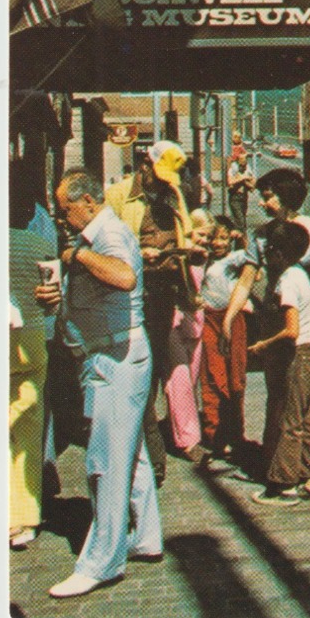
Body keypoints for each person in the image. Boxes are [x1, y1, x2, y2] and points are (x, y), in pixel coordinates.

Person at [37, 168, 162, 599]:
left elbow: (124, 276)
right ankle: (145, 536)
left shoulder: (106, 233)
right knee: (135, 454)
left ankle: (102, 562)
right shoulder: (97, 232)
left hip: (115, 359)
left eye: (65, 207)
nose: (59, 215)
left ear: (88, 201)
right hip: (113, 354)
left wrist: (79, 259)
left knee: (104, 462)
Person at [221, 168, 310, 500]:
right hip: (274, 325)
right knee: (281, 400)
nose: (262, 202)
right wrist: (230, 317)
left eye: (267, 196)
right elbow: (247, 279)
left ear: (286, 197)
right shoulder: (263, 235)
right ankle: (288, 467)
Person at [105, 141, 193, 486]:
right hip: (130, 295)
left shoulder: (173, 194)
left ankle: (145, 453)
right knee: (135, 375)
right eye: (157, 176)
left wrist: (187, 250)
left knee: (151, 375)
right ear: (144, 165)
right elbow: (105, 247)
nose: (161, 183)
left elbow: (185, 231)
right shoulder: (117, 196)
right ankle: (151, 458)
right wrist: (139, 255)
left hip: (164, 294)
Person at [249, 221, 310, 506]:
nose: (266, 254)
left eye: (269, 249)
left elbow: (291, 330)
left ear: (279, 253)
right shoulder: (300, 274)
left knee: (291, 421)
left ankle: (283, 485)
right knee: (305, 417)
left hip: (300, 353)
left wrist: (262, 345)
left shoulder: (286, 281)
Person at [9, 193, 50, 550]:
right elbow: (52, 299)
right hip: (33, 337)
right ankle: (25, 519)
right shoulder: (40, 244)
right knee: (28, 429)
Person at [199, 214, 250, 463]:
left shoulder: (234, 259)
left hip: (232, 319)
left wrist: (242, 240)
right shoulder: (202, 260)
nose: (217, 243)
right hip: (209, 320)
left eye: (222, 238)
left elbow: (252, 259)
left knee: (235, 376)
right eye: (213, 238)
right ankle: (215, 435)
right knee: (211, 375)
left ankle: (235, 433)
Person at [163, 209, 212, 466]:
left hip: (195, 322)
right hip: (175, 320)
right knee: (179, 379)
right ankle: (188, 440)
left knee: (190, 381)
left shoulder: (204, 258)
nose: (203, 240)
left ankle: (177, 428)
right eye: (200, 234)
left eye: (207, 236)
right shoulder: (179, 256)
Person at [227, 150, 255, 234]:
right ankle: (241, 237)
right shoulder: (233, 170)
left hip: (244, 197)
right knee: (240, 222)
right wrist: (243, 178)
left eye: (245, 164)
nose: (243, 166)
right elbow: (230, 183)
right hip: (235, 197)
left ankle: (241, 241)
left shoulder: (247, 171)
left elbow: (253, 186)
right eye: (241, 164)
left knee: (242, 222)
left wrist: (243, 180)